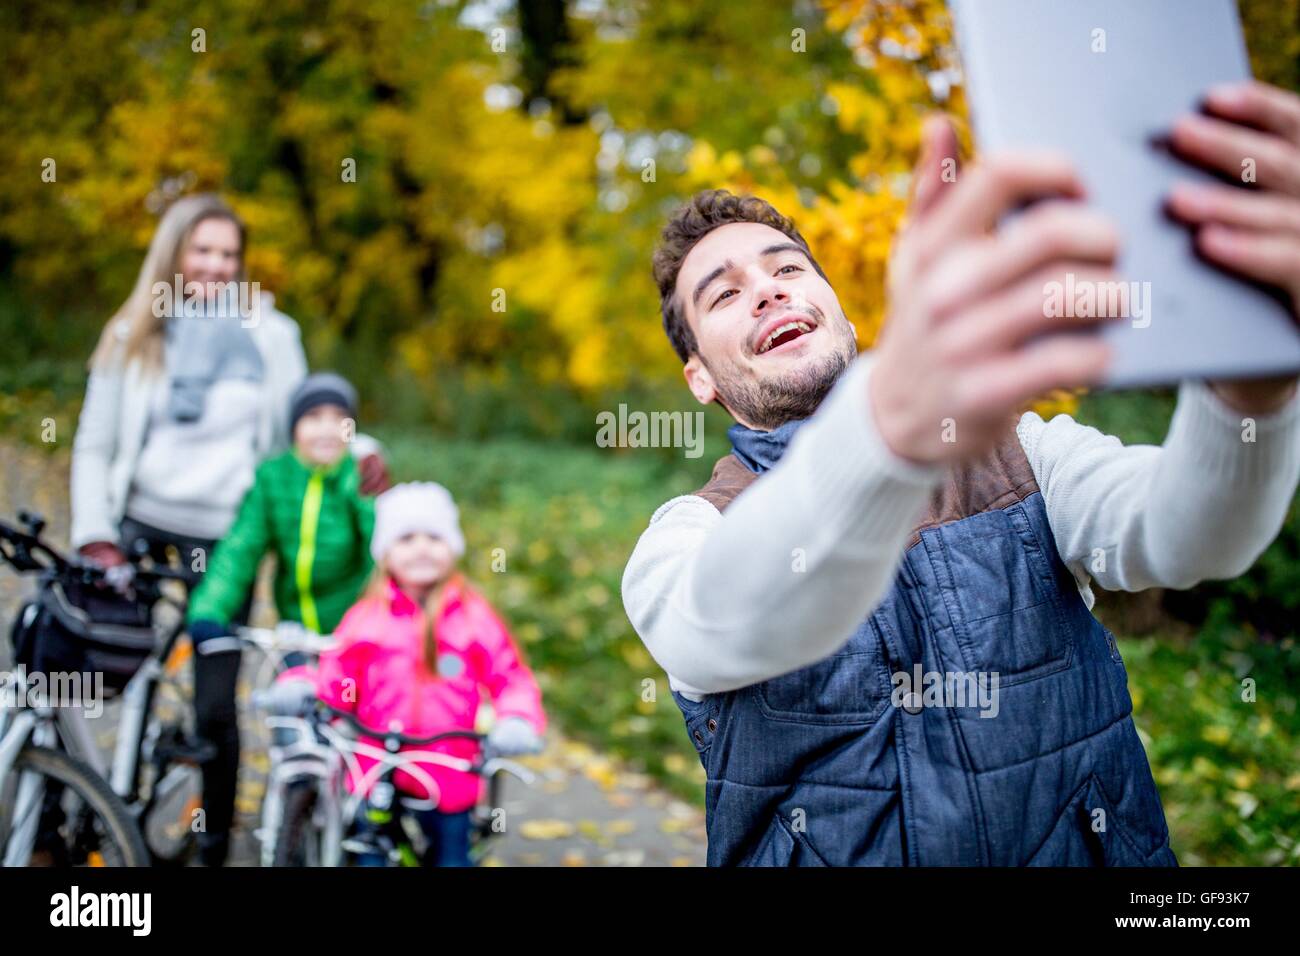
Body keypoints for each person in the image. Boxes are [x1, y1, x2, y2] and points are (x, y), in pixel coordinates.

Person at [621, 80, 1300, 865]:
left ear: (840, 306)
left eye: (788, 269)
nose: (768, 289)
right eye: (725, 295)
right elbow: (728, 621)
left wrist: (1251, 386)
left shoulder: (1026, 454)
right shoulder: (685, 539)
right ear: (700, 378)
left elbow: (1193, 536)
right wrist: (886, 434)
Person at [70, 194, 388, 865]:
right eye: (202, 251)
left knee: (217, 701)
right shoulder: (135, 331)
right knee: (91, 669)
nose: (215, 265)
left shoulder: (272, 335)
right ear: (174, 255)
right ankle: (67, 809)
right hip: (137, 528)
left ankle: (214, 843)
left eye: (228, 254)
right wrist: (94, 530)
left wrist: (361, 453)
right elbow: (94, 444)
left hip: (224, 540)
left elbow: (311, 436)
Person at [309, 482, 546, 866]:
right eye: (406, 538)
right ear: (385, 553)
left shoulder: (473, 617)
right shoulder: (367, 618)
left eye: (434, 537)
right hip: (377, 767)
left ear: (452, 547)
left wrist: (516, 718)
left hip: (450, 771)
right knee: (370, 854)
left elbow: (509, 676)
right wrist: (311, 694)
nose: (421, 547)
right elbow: (337, 676)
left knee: (452, 858)